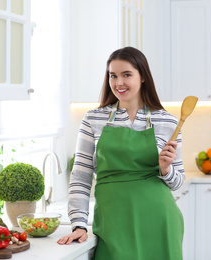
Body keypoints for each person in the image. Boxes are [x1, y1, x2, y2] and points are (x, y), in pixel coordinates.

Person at [57, 46, 185, 260]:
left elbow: (177, 181)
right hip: (112, 222)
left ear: (143, 76)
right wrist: (79, 224)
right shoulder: (93, 119)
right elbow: (80, 177)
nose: (118, 83)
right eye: (113, 76)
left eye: (127, 75)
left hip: (159, 220)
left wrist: (166, 170)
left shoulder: (168, 121)